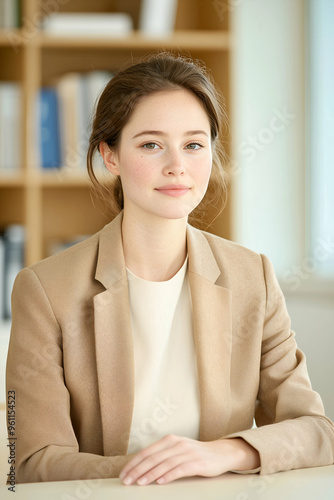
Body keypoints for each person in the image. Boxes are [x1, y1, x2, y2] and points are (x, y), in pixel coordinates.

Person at [6, 52, 334, 486]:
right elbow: (29, 462)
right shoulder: (45, 289)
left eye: (194, 144)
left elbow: (316, 433)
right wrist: (160, 469)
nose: (177, 165)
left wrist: (221, 453)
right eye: (150, 144)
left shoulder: (253, 275)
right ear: (110, 156)